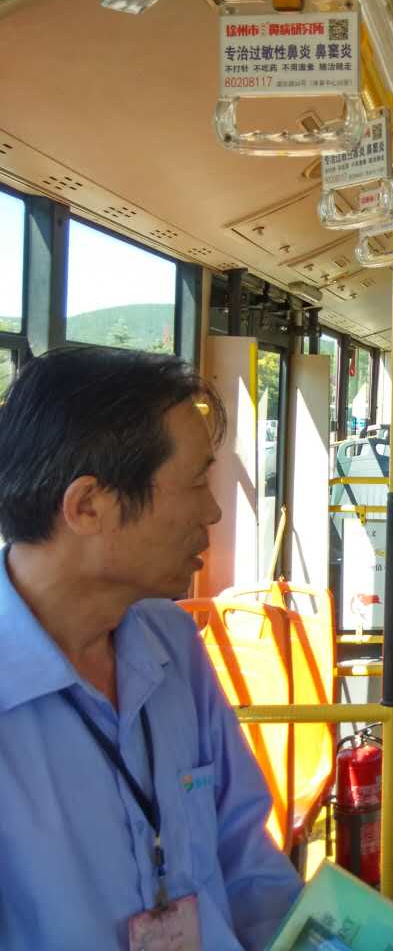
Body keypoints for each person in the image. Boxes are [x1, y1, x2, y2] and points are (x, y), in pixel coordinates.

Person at [0, 347, 302, 950]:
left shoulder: (174, 646)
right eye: (195, 483)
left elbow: (244, 861)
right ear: (88, 506)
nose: (213, 511)